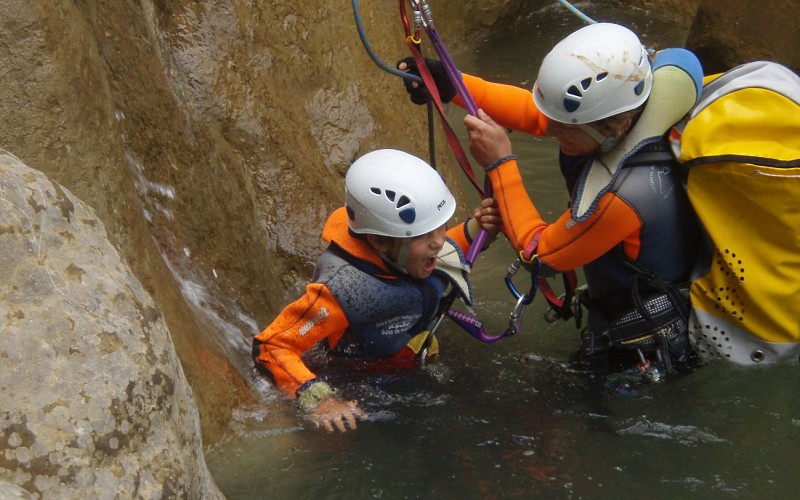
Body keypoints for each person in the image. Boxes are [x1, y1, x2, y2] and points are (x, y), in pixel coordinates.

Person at [399, 22, 705, 378]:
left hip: (646, 349)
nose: (550, 130)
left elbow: (541, 254)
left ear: (610, 125)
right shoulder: (632, 113)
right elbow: (537, 114)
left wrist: (501, 165)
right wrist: (452, 85)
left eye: (564, 129)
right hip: (636, 307)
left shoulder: (626, 194)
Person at [253, 148, 501, 432]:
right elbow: (271, 346)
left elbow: (443, 251)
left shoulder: (407, 251)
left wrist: (479, 230)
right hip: (368, 384)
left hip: (410, 357)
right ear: (380, 242)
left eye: (441, 227)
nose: (438, 241)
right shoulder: (344, 290)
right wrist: (320, 400)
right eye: (425, 234)